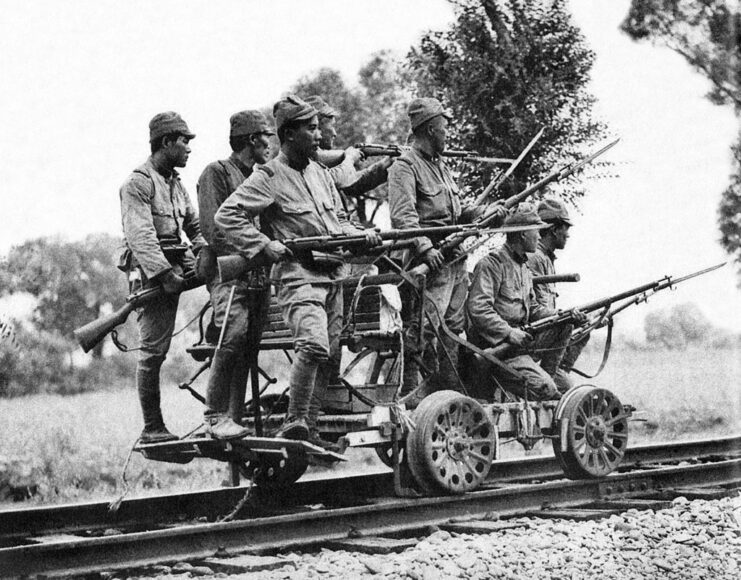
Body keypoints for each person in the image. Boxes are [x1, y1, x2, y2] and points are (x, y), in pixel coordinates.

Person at [214, 95, 381, 443]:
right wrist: (262, 245)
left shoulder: (319, 173)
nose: (319, 135)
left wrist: (362, 236)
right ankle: (296, 421)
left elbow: (338, 223)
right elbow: (227, 216)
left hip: (333, 275)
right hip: (298, 277)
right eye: (311, 128)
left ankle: (311, 429)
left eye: (319, 126)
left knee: (328, 354)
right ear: (289, 134)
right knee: (314, 346)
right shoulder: (269, 176)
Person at [387, 97, 505, 400]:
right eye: (443, 130)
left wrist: (483, 213)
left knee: (452, 328)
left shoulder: (441, 167)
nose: (447, 136)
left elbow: (456, 212)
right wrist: (426, 249)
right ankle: (412, 393)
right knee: (424, 329)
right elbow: (404, 217)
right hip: (427, 264)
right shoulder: (404, 168)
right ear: (428, 130)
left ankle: (446, 389)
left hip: (454, 261)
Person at [119, 111, 206, 443]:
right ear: (167, 142)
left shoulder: (176, 184)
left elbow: (194, 228)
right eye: (184, 141)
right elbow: (141, 238)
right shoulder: (138, 183)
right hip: (150, 271)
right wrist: (165, 274)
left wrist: (205, 254)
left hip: (174, 263)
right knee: (153, 352)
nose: (188, 149)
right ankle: (152, 428)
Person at [196, 110, 275, 440]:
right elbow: (213, 230)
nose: (270, 144)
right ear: (253, 140)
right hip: (229, 272)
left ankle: (234, 417)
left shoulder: (261, 176)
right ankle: (214, 416)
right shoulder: (216, 173)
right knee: (233, 334)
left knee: (249, 344)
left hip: (257, 274)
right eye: (266, 137)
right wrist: (257, 249)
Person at [466, 207, 582, 400]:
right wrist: (508, 332)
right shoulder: (491, 264)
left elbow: (533, 308)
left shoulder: (524, 267)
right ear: (522, 235)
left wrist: (560, 315)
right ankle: (547, 389)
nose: (539, 236)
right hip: (497, 349)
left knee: (565, 323)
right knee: (545, 389)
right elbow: (479, 308)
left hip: (518, 344)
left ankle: (549, 379)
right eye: (536, 230)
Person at [303, 95, 392, 223]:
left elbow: (353, 185)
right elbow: (339, 179)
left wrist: (385, 165)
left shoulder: (322, 162)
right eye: (331, 126)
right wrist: (349, 158)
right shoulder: (306, 161)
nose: (335, 133)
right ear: (317, 127)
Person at [527, 199, 590, 374]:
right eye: (566, 228)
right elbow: (530, 310)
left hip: (541, 333)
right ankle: (548, 378)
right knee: (566, 323)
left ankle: (558, 373)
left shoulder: (545, 259)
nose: (568, 234)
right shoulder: (535, 259)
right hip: (527, 338)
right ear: (554, 230)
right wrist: (562, 316)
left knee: (585, 325)